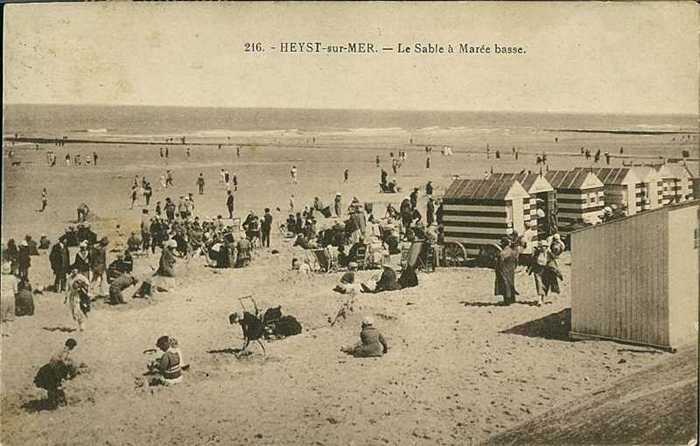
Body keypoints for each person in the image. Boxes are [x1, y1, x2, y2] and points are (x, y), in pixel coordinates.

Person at [34, 339, 81, 409]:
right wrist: (69, 363)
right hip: (52, 371)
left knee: (51, 387)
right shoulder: (65, 351)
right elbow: (62, 361)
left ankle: (52, 402)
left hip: (49, 369)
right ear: (71, 346)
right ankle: (54, 404)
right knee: (53, 387)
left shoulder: (61, 350)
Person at [494, 237, 519, 305]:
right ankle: (512, 299)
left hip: (504, 270)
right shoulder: (513, 251)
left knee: (504, 285)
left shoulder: (503, 253)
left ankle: (507, 301)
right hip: (511, 270)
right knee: (511, 284)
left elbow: (500, 263)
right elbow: (516, 261)